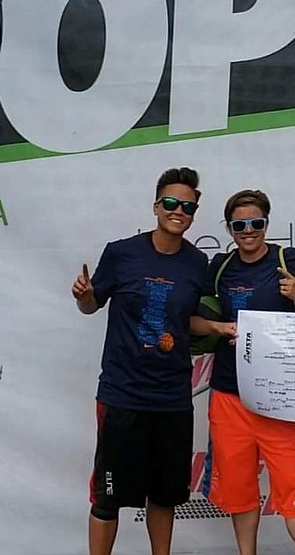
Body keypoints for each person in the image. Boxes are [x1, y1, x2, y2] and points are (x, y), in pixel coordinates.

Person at [72, 166, 209, 555]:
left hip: (172, 399)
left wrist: (222, 326)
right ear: (156, 206)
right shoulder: (121, 253)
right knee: (108, 496)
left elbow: (189, 321)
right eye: (170, 202)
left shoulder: (198, 264)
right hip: (122, 395)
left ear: (194, 213)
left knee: (165, 496)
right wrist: (83, 294)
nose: (178, 210)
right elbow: (91, 305)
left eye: (187, 205)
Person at [191, 189, 295, 555]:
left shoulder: (289, 259)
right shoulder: (219, 267)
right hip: (229, 395)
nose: (248, 230)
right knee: (238, 492)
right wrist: (220, 329)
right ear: (229, 228)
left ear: (267, 223)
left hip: (280, 397)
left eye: (256, 223)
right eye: (240, 225)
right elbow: (196, 321)